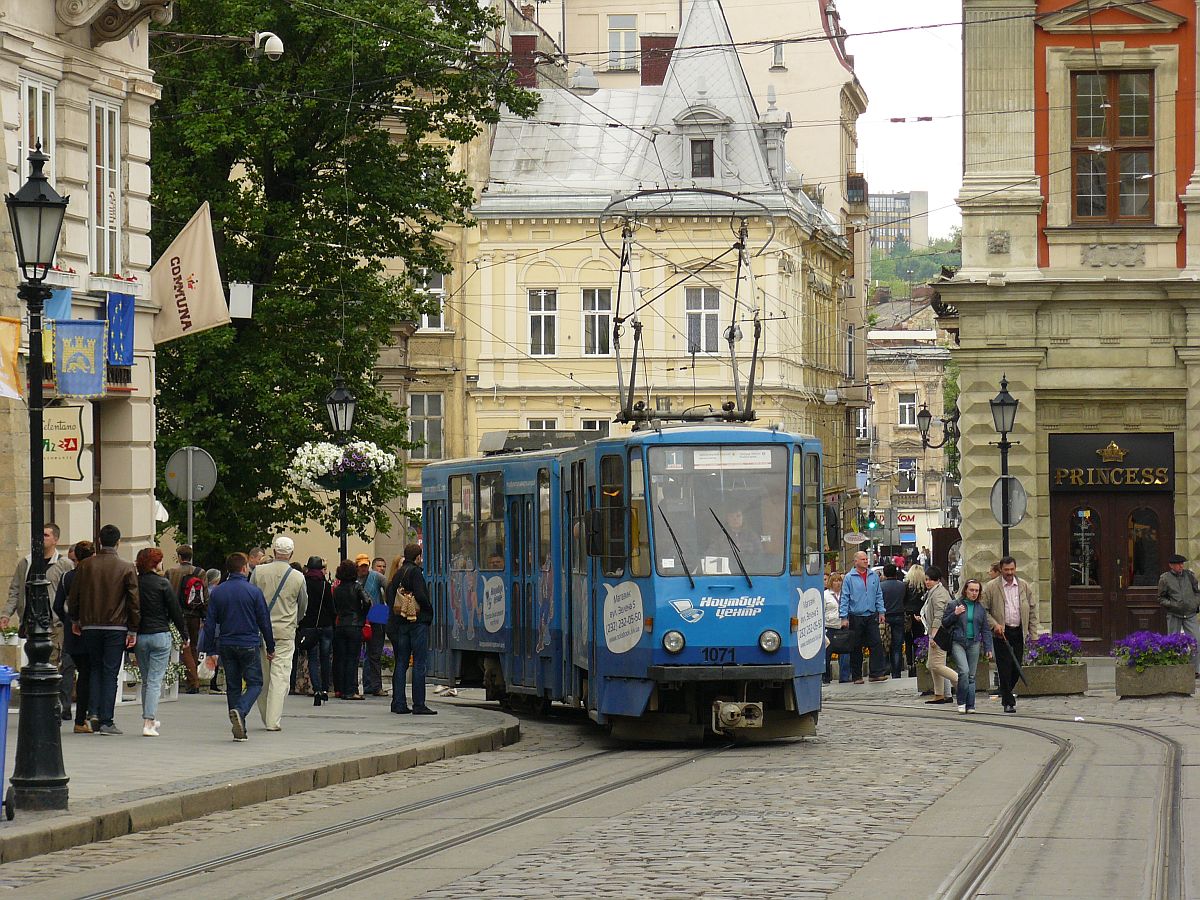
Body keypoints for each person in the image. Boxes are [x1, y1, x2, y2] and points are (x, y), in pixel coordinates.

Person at [67, 524, 139, 735]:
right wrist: (133, 629)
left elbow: (75, 595)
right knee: (110, 672)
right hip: (116, 626)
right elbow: (134, 601)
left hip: (90, 625)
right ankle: (107, 720)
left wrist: (76, 619)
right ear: (118, 542)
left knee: (95, 669)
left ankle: (94, 714)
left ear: (99, 541)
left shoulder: (85, 566)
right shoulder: (126, 567)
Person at [202, 552, 274, 741]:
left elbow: (210, 624)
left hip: (226, 643)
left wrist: (210, 650)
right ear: (244, 568)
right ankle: (240, 712)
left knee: (233, 685)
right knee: (255, 683)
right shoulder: (254, 591)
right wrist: (271, 645)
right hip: (249, 642)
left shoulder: (218, 591)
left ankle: (238, 726)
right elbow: (264, 621)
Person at [5, 523, 74, 719]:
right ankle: (45, 704)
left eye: (45, 535)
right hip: (31, 623)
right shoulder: (25, 563)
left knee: (53, 663)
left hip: (54, 623)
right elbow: (15, 590)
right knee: (37, 664)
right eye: (39, 534)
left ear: (55, 540)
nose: (41, 538)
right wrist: (6, 614)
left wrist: (69, 615)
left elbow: (70, 594)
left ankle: (55, 704)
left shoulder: (64, 564)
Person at [249, 536, 306, 731]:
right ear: (291, 554)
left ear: (273, 552)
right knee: (280, 676)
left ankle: (266, 716)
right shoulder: (298, 577)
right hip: (284, 631)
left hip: (260, 630)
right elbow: (303, 605)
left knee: (264, 675)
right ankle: (273, 720)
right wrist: (294, 622)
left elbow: (251, 599)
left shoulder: (258, 571)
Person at [134, 548, 188, 737]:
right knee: (155, 680)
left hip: (140, 635)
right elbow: (175, 611)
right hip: (160, 634)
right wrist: (184, 635)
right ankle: (148, 722)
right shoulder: (163, 584)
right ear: (156, 563)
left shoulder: (134, 583)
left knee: (146, 679)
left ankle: (149, 717)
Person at [981, 555, 1039, 714]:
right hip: (1001, 633)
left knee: (1016, 667)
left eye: (1012, 569)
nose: (1009, 572)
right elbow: (983, 610)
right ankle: (1008, 701)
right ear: (1001, 570)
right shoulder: (992, 587)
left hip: (1019, 631)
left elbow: (1032, 610)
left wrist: (1033, 634)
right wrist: (994, 625)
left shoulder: (1023, 586)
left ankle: (1006, 690)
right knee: (1004, 667)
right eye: (1006, 570)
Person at [388, 543, 436, 714]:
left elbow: (390, 597)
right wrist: (429, 611)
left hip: (401, 623)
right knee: (419, 663)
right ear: (418, 557)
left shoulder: (398, 573)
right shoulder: (415, 572)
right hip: (417, 622)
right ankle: (419, 703)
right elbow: (421, 596)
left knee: (401, 662)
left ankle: (399, 702)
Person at [53, 541, 94, 733]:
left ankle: (65, 707)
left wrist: (68, 620)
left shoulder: (66, 577)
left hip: (71, 631)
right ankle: (85, 717)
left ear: (75, 557)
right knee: (88, 674)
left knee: (68, 669)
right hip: (92, 629)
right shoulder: (94, 576)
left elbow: (57, 606)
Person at [942, 579, 994, 714]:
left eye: (977, 590)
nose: (974, 593)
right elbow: (945, 622)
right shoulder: (955, 604)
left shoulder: (980, 608)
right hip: (958, 642)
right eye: (971, 590)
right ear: (965, 590)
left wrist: (988, 648)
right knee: (963, 672)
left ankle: (970, 705)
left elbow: (986, 630)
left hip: (974, 643)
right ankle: (961, 701)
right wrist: (955, 613)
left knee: (971, 675)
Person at [837, 550, 888, 683]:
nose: (866, 561)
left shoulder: (873, 576)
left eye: (866, 559)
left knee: (876, 643)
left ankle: (876, 673)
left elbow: (878, 595)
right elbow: (844, 598)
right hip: (855, 616)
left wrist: (881, 611)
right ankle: (857, 676)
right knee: (856, 646)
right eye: (863, 559)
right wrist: (844, 617)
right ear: (856, 562)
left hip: (871, 614)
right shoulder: (849, 577)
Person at [166, 545, 207, 694]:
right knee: (193, 646)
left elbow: (167, 595)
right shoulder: (200, 572)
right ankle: (192, 679)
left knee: (184, 647)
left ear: (179, 557)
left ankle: (193, 680)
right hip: (194, 614)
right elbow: (205, 595)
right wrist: (204, 615)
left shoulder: (171, 572)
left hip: (177, 615)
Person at [1157, 553, 1200, 678]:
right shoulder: (1164, 578)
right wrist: (1172, 605)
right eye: (1178, 564)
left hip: (1190, 613)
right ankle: (1173, 667)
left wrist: (1195, 603)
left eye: (1182, 564)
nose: (1181, 566)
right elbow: (1161, 598)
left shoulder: (1190, 576)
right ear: (1171, 565)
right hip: (1174, 614)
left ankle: (1195, 670)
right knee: (1173, 642)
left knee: (1196, 640)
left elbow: (1197, 592)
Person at [299, 556, 334, 705]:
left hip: (309, 625)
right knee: (325, 658)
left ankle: (317, 690)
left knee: (312, 658)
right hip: (325, 624)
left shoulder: (303, 584)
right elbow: (330, 606)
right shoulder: (325, 585)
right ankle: (325, 688)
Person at [332, 559, 369, 700]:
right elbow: (367, 602)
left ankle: (340, 689)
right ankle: (350, 690)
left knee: (341, 658)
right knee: (352, 659)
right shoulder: (357, 587)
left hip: (341, 624)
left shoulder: (337, 589)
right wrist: (361, 615)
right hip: (354, 625)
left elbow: (334, 607)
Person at [921, 565, 958, 705]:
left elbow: (939, 616)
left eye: (930, 579)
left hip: (940, 633)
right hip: (935, 631)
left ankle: (960, 680)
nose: (927, 582)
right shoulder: (934, 592)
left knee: (936, 665)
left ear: (937, 580)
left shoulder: (939, 594)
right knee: (933, 664)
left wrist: (934, 635)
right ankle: (941, 694)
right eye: (926, 579)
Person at [358, 553, 390, 696]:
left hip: (377, 612)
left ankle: (376, 686)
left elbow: (389, 587)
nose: (364, 568)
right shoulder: (354, 579)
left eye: (365, 565)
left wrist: (387, 605)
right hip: (360, 616)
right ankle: (368, 685)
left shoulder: (376, 577)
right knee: (367, 654)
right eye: (361, 566)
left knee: (375, 652)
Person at [880, 563, 907, 679]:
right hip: (899, 615)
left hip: (885, 617)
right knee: (897, 646)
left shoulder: (880, 586)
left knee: (884, 644)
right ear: (895, 573)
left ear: (884, 574)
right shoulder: (902, 586)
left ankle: (886, 668)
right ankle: (896, 673)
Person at [903, 564, 927, 680]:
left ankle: (910, 665)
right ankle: (919, 662)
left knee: (908, 642)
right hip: (921, 615)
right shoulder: (924, 587)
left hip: (908, 616)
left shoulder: (906, 586)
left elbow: (903, 601)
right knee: (920, 640)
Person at [823, 572, 844, 684]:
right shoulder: (825, 595)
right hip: (829, 627)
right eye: (835, 581)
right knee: (827, 653)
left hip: (842, 626)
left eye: (839, 580)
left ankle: (844, 677)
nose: (837, 583)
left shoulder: (844, 594)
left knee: (844, 653)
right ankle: (826, 677)